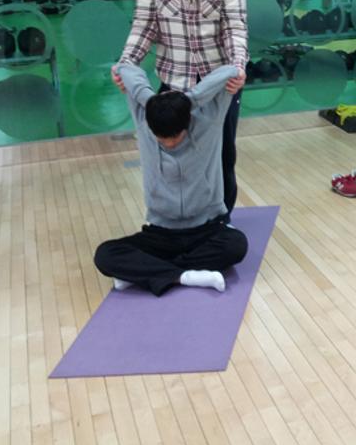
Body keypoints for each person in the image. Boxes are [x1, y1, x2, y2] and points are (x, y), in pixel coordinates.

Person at [112, 0, 248, 214]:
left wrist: (238, 67)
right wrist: (126, 64)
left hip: (219, 87)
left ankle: (221, 221)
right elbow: (144, 26)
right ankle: (179, 220)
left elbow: (235, 28)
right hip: (173, 84)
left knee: (222, 155)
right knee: (173, 158)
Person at [95, 63, 248, 296]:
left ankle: (146, 273)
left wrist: (190, 100)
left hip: (205, 229)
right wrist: (124, 75)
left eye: (175, 137)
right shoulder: (145, 118)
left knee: (236, 245)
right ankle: (185, 275)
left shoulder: (210, 121)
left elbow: (230, 71)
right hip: (160, 233)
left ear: (187, 123)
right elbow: (127, 69)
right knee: (105, 255)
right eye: (162, 139)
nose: (169, 144)